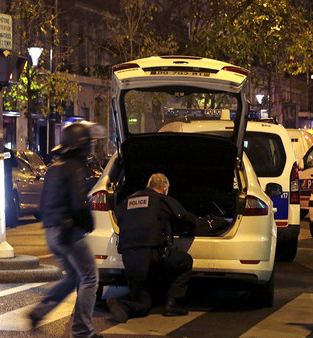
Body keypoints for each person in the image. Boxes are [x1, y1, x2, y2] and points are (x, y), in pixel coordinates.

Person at [28, 122, 102, 338]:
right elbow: (79, 204)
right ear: (82, 146)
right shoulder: (73, 168)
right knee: (90, 277)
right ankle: (82, 331)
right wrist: (88, 224)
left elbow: (41, 207)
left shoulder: (54, 168)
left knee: (72, 277)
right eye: (88, 144)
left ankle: (39, 311)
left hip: (51, 231)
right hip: (68, 232)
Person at [107, 173, 199, 323]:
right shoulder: (162, 200)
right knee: (185, 261)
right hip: (152, 255)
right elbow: (187, 220)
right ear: (164, 189)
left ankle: (123, 307)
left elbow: (119, 220)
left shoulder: (127, 201)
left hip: (129, 258)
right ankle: (173, 304)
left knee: (143, 303)